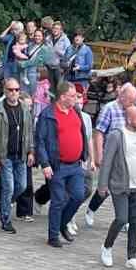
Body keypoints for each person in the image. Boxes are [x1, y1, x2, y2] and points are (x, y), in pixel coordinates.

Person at [96, 105, 136, 270]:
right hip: (120, 185)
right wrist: (102, 185)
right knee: (121, 218)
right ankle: (107, 247)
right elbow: (107, 161)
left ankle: (132, 257)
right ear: (129, 119)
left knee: (135, 221)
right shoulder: (117, 135)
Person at [35, 79, 91, 249]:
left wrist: (85, 154)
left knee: (79, 195)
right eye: (72, 96)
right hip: (57, 165)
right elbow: (40, 141)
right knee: (58, 200)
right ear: (62, 97)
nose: (76, 99)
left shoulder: (76, 111)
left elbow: (82, 133)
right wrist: (45, 164)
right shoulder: (48, 115)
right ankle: (53, 236)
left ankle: (62, 223)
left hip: (76, 164)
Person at [83, 83, 136, 229]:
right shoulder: (109, 109)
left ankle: (124, 219)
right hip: (111, 155)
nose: (132, 104)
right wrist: (99, 156)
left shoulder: (133, 110)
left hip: (128, 156)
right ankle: (91, 209)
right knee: (105, 188)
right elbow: (99, 133)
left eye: (134, 101)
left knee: (128, 188)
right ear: (122, 96)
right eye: (130, 100)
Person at [0, 77, 33, 233]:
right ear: (5, 91)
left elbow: (29, 131)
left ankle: (3, 204)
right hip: (5, 155)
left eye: (16, 90)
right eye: (10, 90)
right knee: (9, 187)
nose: (14, 92)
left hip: (20, 155)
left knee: (22, 186)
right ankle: (6, 220)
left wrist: (31, 151)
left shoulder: (25, 109)